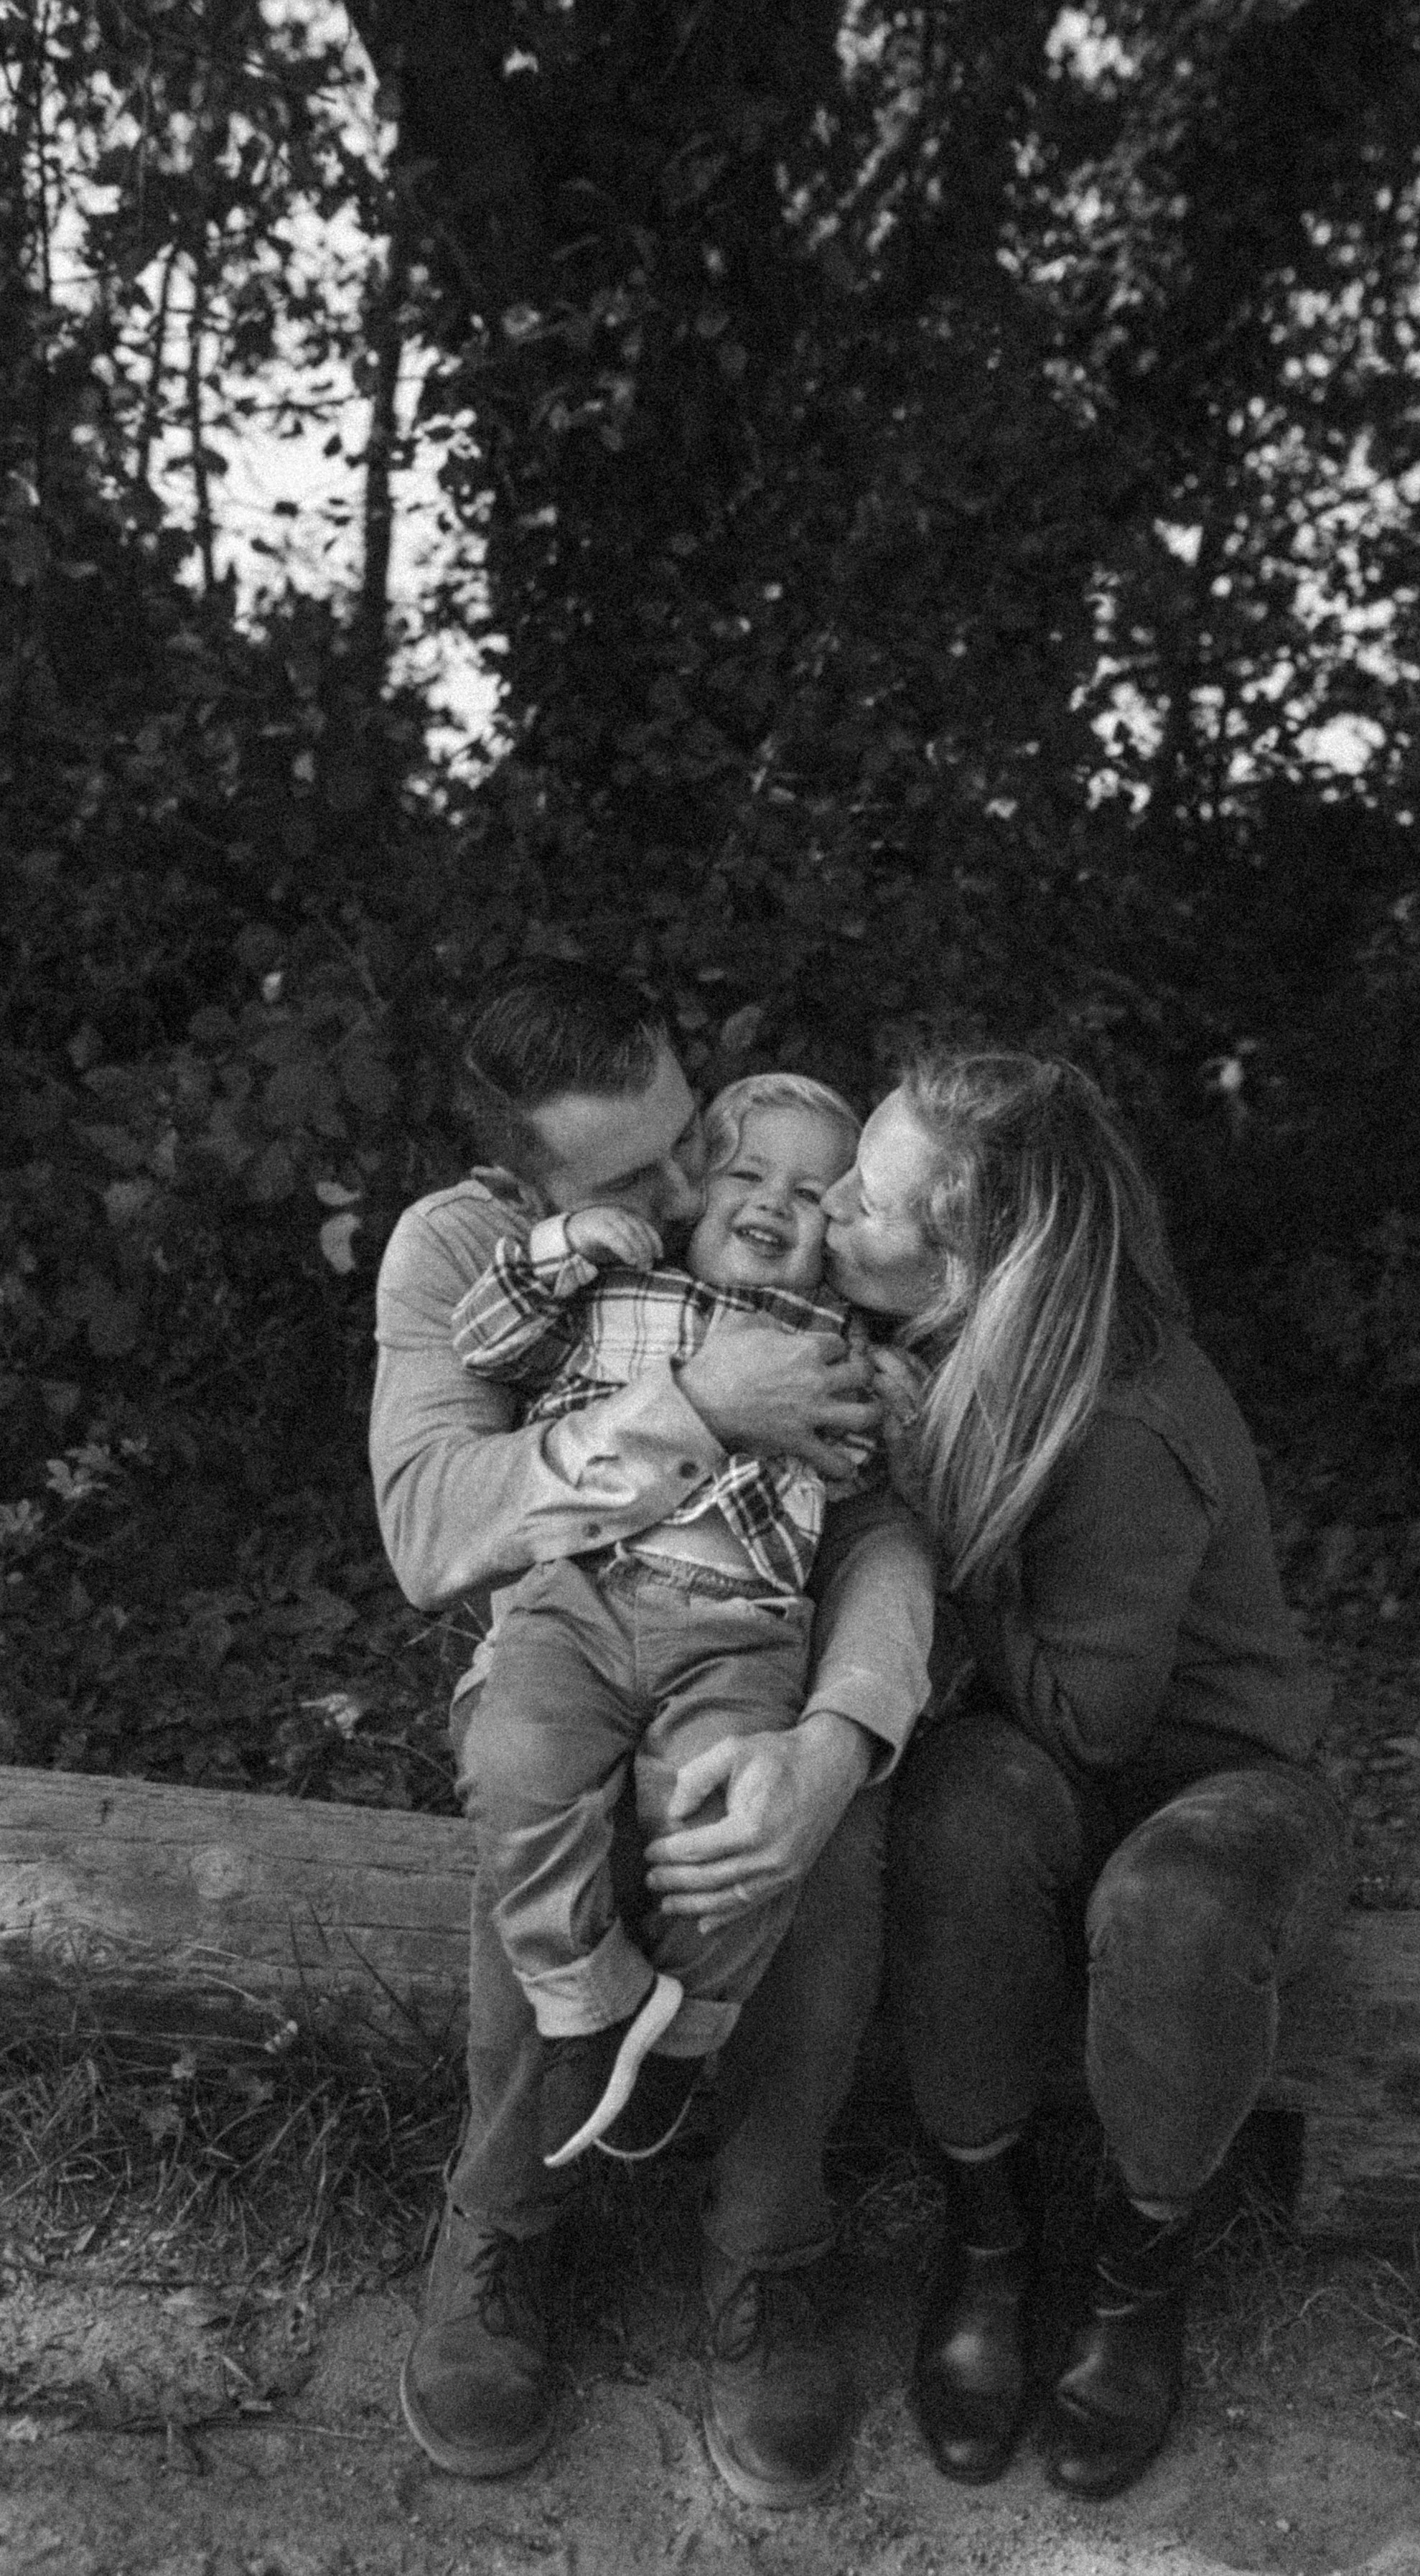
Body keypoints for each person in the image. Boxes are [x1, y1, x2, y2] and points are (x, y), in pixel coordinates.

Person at [370, 968, 933, 2506]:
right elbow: (432, 1529)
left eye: (696, 1133)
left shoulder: (786, 1250)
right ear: (529, 1181)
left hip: (755, 1642)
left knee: (803, 1830)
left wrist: (840, 1732)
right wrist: (696, 1403)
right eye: (645, 1175)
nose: (699, 1185)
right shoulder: (468, 1251)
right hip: (561, 1643)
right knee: (534, 1794)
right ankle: (501, 2229)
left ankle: (765, 2245)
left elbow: (880, 1527)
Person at [818, 1050, 1348, 2503]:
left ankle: (1134, 2279)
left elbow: (1087, 1723)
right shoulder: (948, 1333)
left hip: (1214, 1781)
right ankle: (987, 2241)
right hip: (1041, 1764)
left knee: (1170, 1910)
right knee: (956, 1814)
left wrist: (931, 1488)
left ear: (971, 1253)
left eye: (865, 1201)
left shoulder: (1118, 1419)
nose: (828, 1215)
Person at [446, 1073, 889, 2174]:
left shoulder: (843, 1344)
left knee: (724, 1818)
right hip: (580, 1602)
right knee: (514, 1764)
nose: (773, 1202)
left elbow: (882, 1476)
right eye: (746, 1172)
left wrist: (895, 1401)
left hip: (741, 1632)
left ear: (835, 1235)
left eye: (810, 1193)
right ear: (697, 1195)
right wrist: (563, 1246)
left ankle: (688, 2030)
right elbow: (485, 1343)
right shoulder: (616, 1285)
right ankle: (587, 2000)